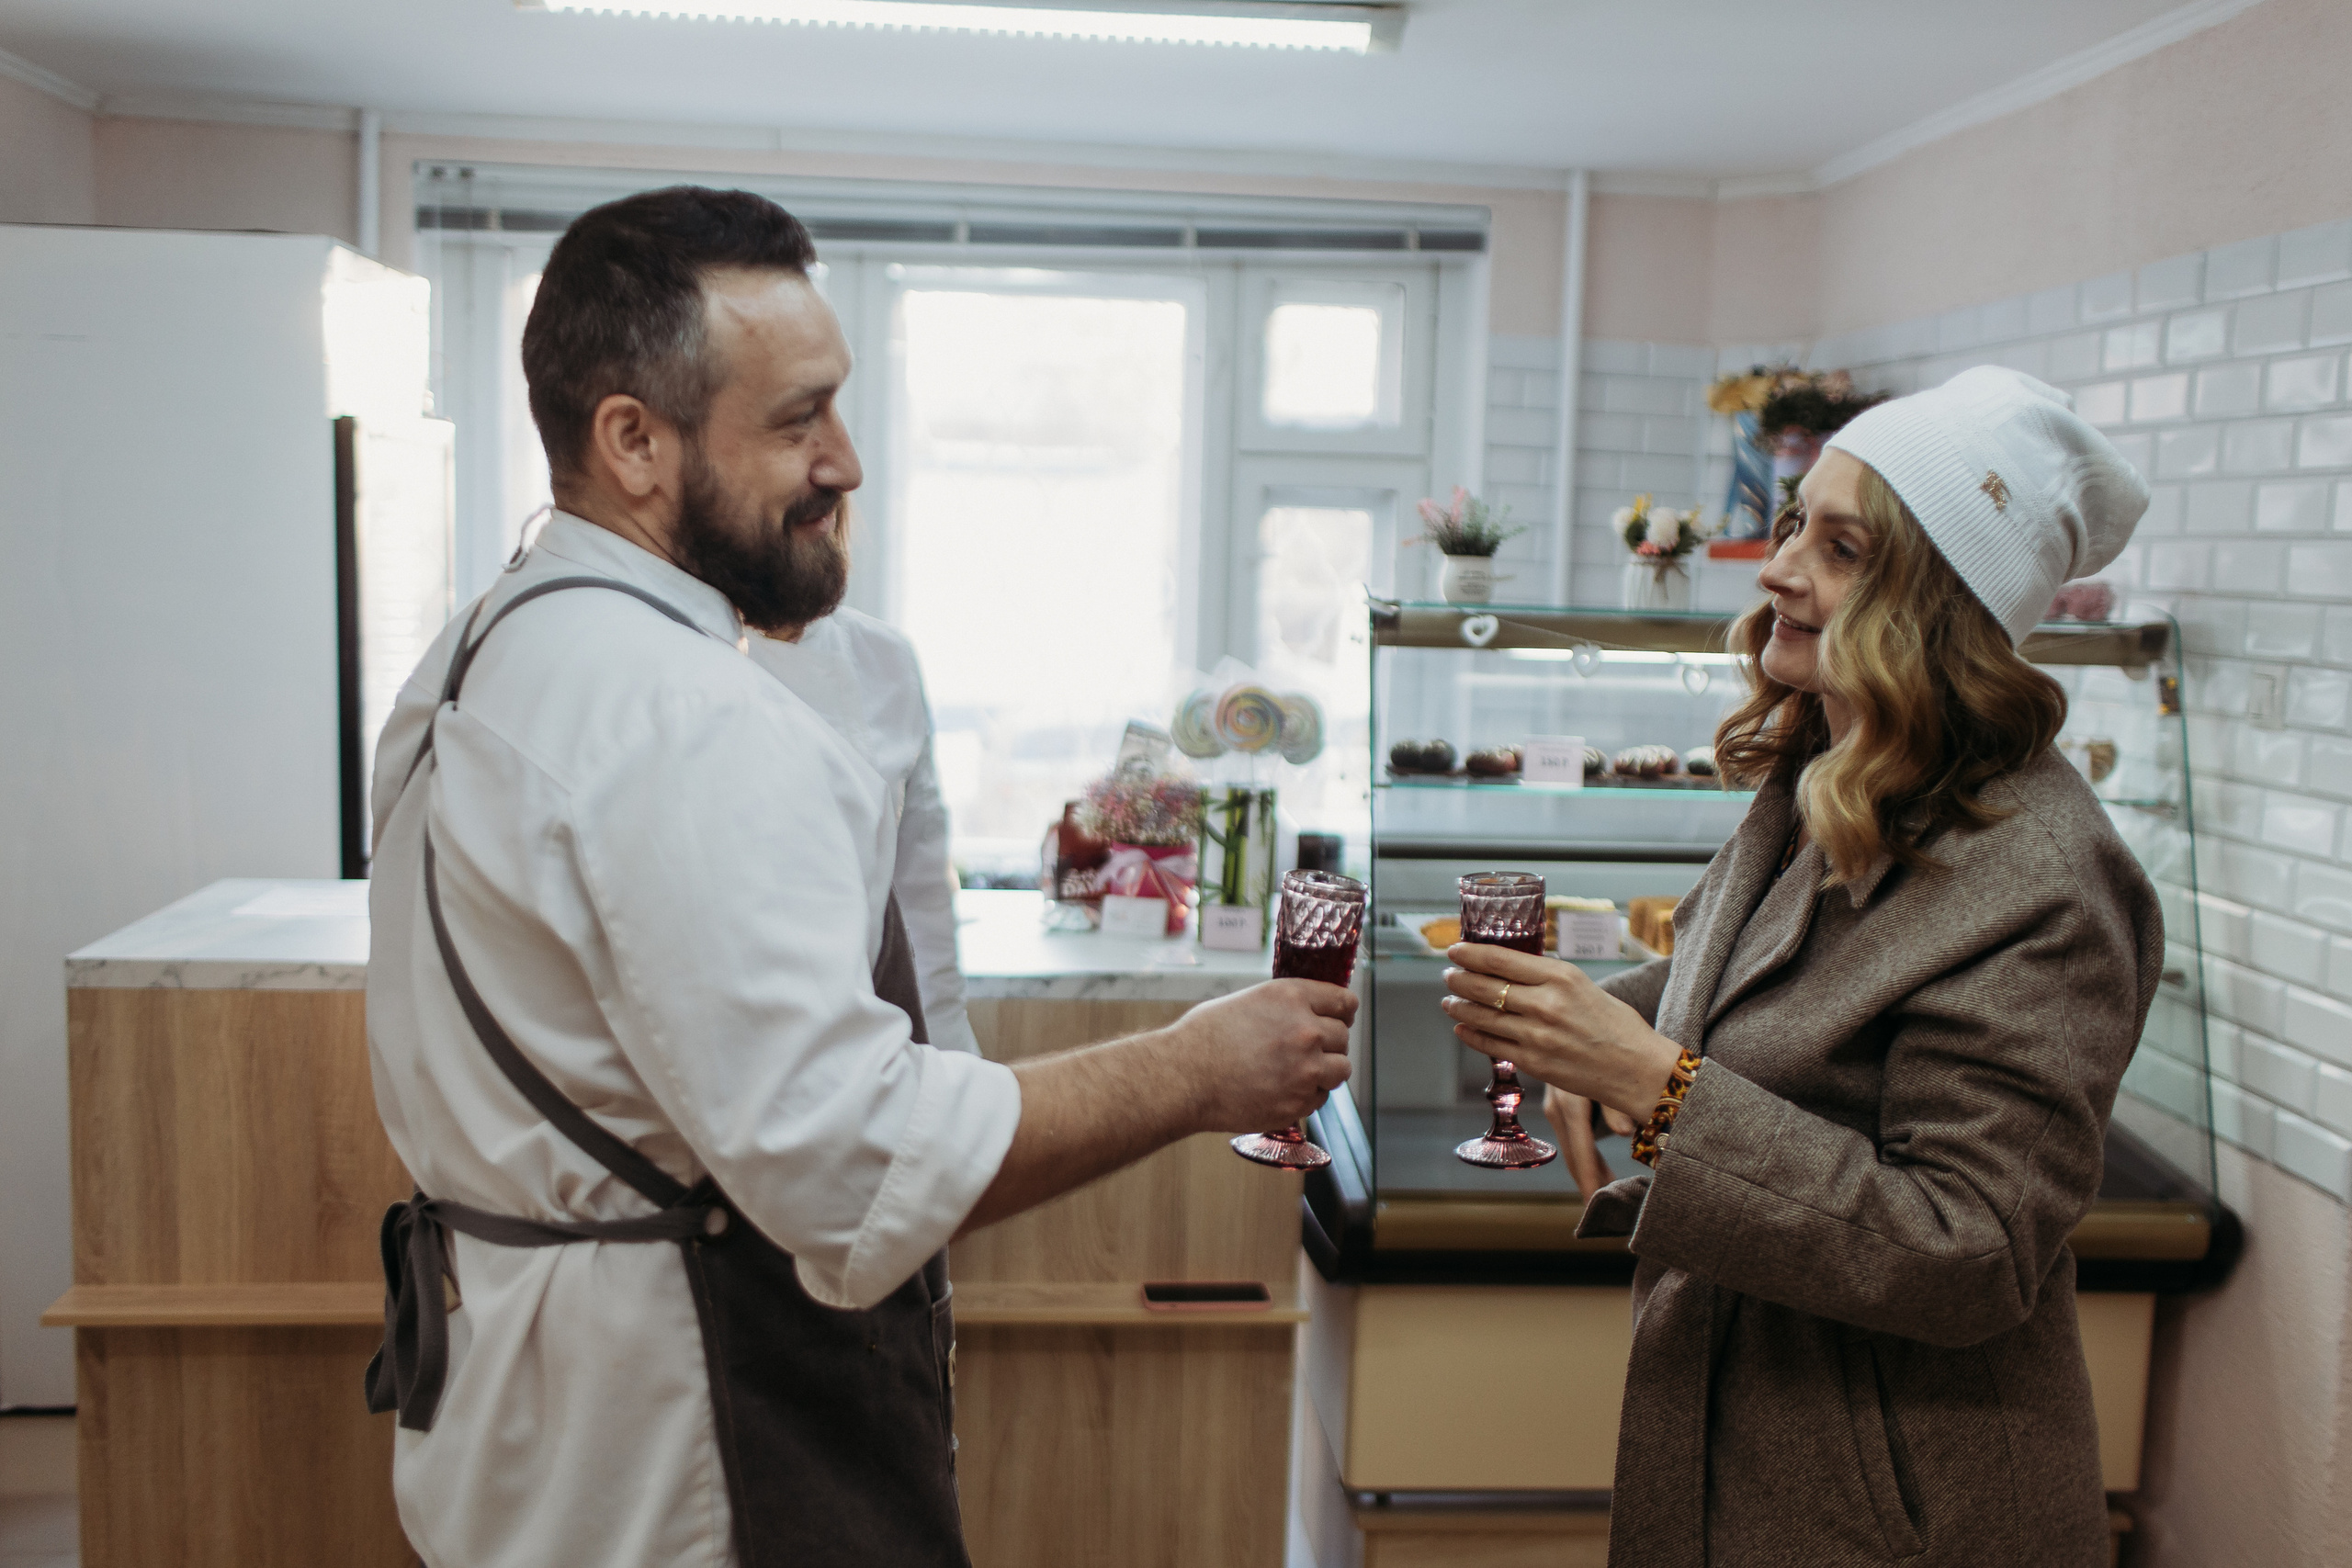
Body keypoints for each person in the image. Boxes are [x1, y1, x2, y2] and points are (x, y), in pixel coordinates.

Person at [362, 186, 1354, 1568]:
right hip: (688, 1438)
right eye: (795, 419)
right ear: (632, 441)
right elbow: (853, 1159)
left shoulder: (486, 645)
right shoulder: (688, 713)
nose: (846, 459)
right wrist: (1196, 1068)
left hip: (518, 1414)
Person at [1441, 367, 2159, 1568]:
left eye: (1839, 548)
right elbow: (1772, 1002)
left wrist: (1658, 1083)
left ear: (1937, 603)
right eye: (1792, 526)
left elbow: (1968, 1245)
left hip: (1905, 1506)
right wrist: (1594, 1032)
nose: (1777, 570)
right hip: (1756, 1440)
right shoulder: (1841, 776)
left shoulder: (2044, 881)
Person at [749, 579, 978, 1054]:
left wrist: (953, 1054)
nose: (838, 500)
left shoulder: (885, 656)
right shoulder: (682, 656)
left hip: (885, 1045)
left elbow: (922, 895)